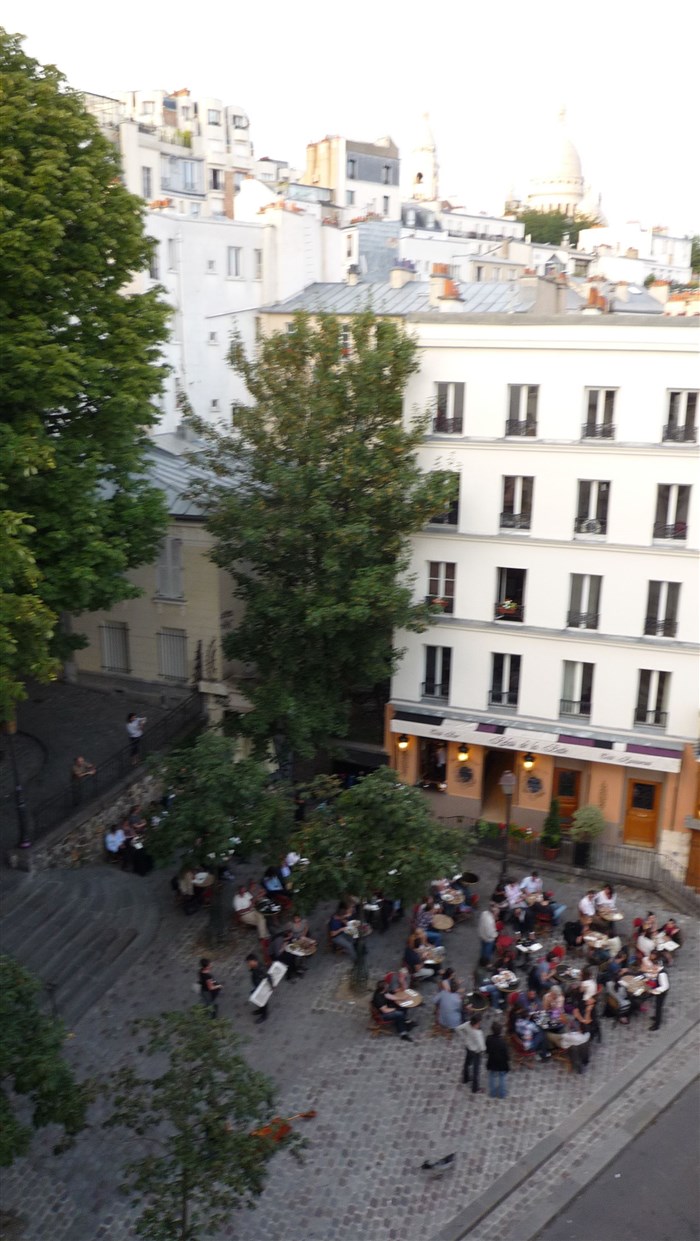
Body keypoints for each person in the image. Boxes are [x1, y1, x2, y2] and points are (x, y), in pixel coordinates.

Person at [461, 1014, 486, 1092]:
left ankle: (465, 1078)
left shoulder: (467, 1025)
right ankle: (475, 1088)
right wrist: (483, 1051)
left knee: (467, 1063)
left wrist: (465, 1038)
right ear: (476, 1023)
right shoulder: (478, 1033)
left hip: (468, 1047)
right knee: (476, 1069)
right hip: (476, 1051)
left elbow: (458, 1029)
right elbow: (481, 1046)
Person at [485, 1021, 510, 1099]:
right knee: (502, 1077)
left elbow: (487, 1050)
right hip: (501, 1063)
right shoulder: (503, 1042)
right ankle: (502, 1094)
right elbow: (506, 1054)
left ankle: (492, 1093)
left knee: (491, 1076)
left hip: (492, 1061)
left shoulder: (488, 1039)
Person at [246, 953, 270, 1024]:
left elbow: (268, 976)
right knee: (257, 998)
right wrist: (251, 969)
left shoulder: (261, 968)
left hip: (262, 987)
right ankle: (260, 1010)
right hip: (257, 986)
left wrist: (271, 986)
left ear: (254, 961)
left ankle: (264, 1015)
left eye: (249, 962)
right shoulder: (254, 966)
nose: (248, 964)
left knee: (263, 1001)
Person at [649, 953, 670, 1030]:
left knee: (658, 1007)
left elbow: (665, 986)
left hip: (661, 993)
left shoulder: (662, 974)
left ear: (657, 966)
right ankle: (656, 1017)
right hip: (658, 991)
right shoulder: (659, 971)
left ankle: (657, 1024)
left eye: (654, 966)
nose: (653, 968)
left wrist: (656, 990)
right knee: (657, 1005)